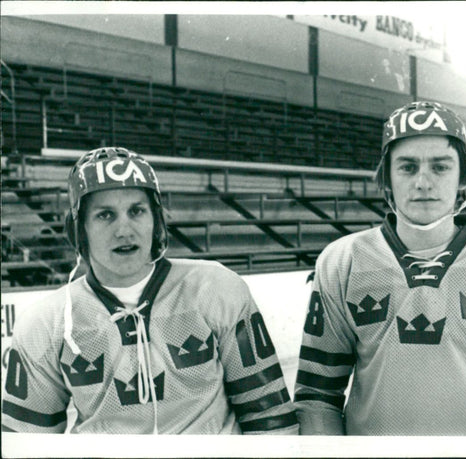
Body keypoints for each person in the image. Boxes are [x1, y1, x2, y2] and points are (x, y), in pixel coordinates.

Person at [293, 101, 466, 435]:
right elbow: (317, 397)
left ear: (463, 177)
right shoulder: (342, 262)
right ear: (387, 177)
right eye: (407, 168)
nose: (423, 182)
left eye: (440, 167)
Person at [1, 147, 298, 434]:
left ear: (156, 221)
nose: (124, 230)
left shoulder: (217, 289)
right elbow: (25, 442)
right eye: (105, 215)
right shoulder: (46, 323)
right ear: (80, 229)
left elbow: (270, 418)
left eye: (137, 211)